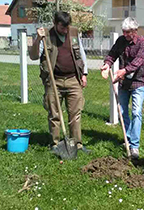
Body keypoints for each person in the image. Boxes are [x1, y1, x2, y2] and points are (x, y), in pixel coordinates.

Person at [29, 11, 88, 151]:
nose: (65, 30)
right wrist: (38, 39)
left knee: (75, 113)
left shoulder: (73, 32)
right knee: (54, 114)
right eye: (62, 28)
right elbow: (33, 56)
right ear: (55, 24)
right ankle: (55, 144)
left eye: (67, 27)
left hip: (73, 79)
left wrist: (84, 74)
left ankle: (77, 144)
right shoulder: (46, 35)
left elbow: (81, 53)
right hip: (53, 80)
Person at [100, 17, 144, 159]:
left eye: (128, 32)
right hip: (124, 84)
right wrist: (107, 64)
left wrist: (123, 71)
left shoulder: (143, 44)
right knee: (122, 111)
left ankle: (134, 146)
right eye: (124, 32)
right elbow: (112, 54)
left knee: (136, 112)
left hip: (138, 82)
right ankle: (127, 139)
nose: (126, 35)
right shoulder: (121, 41)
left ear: (135, 31)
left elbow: (137, 62)